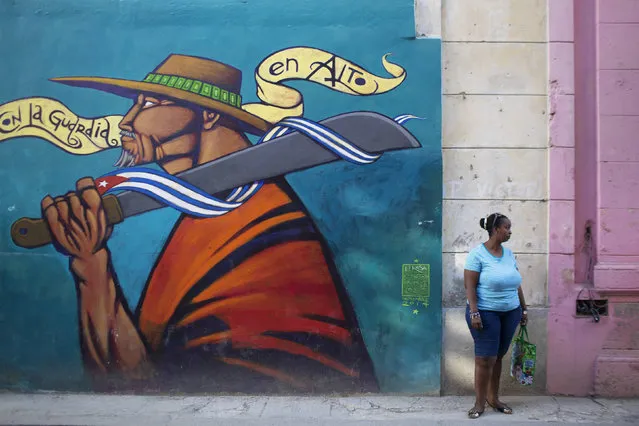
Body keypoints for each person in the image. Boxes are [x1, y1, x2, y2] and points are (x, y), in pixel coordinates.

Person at [39, 54, 379, 393]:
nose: (127, 121)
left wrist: (92, 268)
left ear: (209, 115)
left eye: (150, 103)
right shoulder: (214, 211)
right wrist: (90, 260)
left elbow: (151, 388)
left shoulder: (259, 225)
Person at [463, 212, 528, 419]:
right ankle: (479, 404)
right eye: (507, 227)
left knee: (498, 357)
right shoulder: (477, 254)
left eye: (509, 227)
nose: (510, 231)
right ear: (495, 229)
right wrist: (474, 312)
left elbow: (516, 283)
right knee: (484, 358)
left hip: (510, 312)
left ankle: (494, 398)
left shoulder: (508, 254)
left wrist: (523, 309)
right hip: (485, 312)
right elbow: (470, 287)